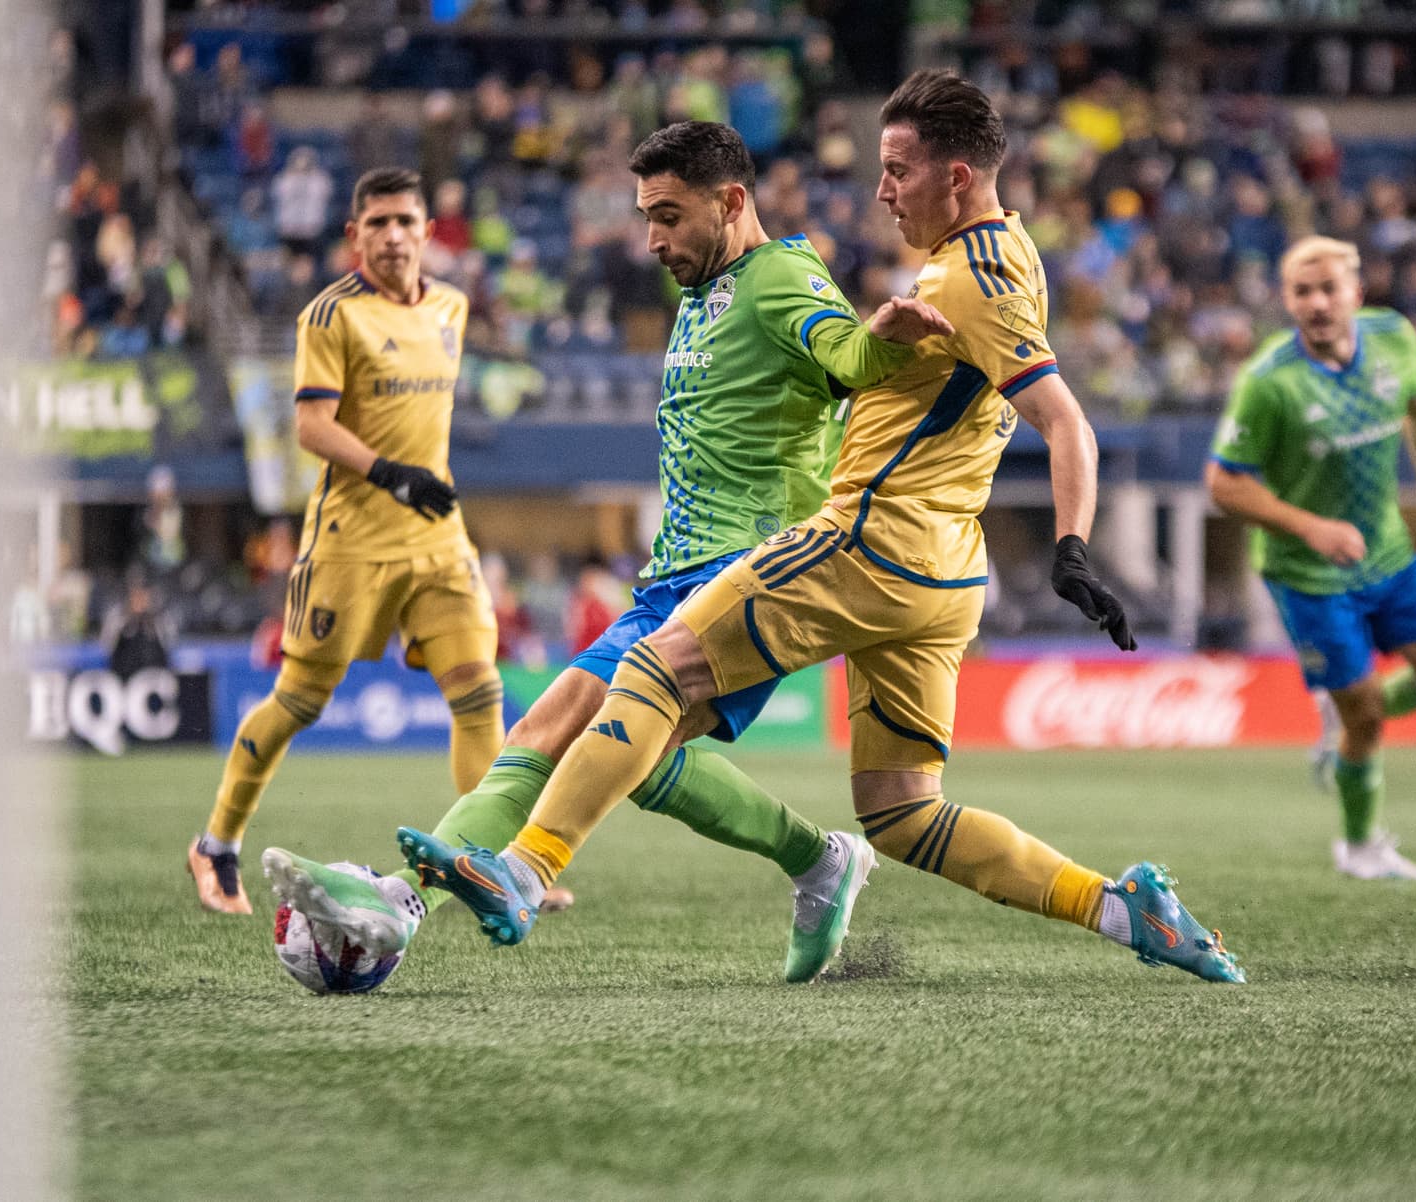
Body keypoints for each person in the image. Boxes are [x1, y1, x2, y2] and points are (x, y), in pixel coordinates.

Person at [396, 73, 1245, 985]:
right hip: (947, 575)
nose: (881, 189)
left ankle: (524, 872)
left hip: (870, 540)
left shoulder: (970, 274)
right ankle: (1121, 909)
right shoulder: (1015, 255)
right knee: (905, 816)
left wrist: (1072, 548)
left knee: (652, 667)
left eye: (897, 169)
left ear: (957, 177)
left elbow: (1067, 421)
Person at [261, 121, 954, 983]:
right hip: (675, 571)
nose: (652, 239)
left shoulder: (780, 275)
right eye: (644, 217)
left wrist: (883, 334)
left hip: (749, 575)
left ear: (732, 201)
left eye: (668, 216)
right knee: (636, 757)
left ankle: (401, 900)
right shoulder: (706, 288)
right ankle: (818, 859)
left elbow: (845, 356)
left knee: (562, 725)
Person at [187, 168, 508, 915]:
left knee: (480, 693)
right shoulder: (329, 315)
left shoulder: (452, 309)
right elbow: (310, 426)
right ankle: (217, 845)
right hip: (350, 541)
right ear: (353, 235)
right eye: (378, 223)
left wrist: (418, 481)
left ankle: (489, 861)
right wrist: (392, 474)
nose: (393, 235)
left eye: (405, 221)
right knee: (297, 701)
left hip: (438, 536)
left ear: (430, 232)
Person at [1206, 235, 1416, 882]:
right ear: (1287, 301)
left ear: (1356, 294)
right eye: (1303, 292)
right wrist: (1311, 528)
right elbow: (1224, 485)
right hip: (1310, 575)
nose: (1318, 302)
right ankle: (1359, 847)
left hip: (1388, 555)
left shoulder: (1392, 336)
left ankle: (1344, 715)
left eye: (1329, 289)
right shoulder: (1269, 384)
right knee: (1363, 712)